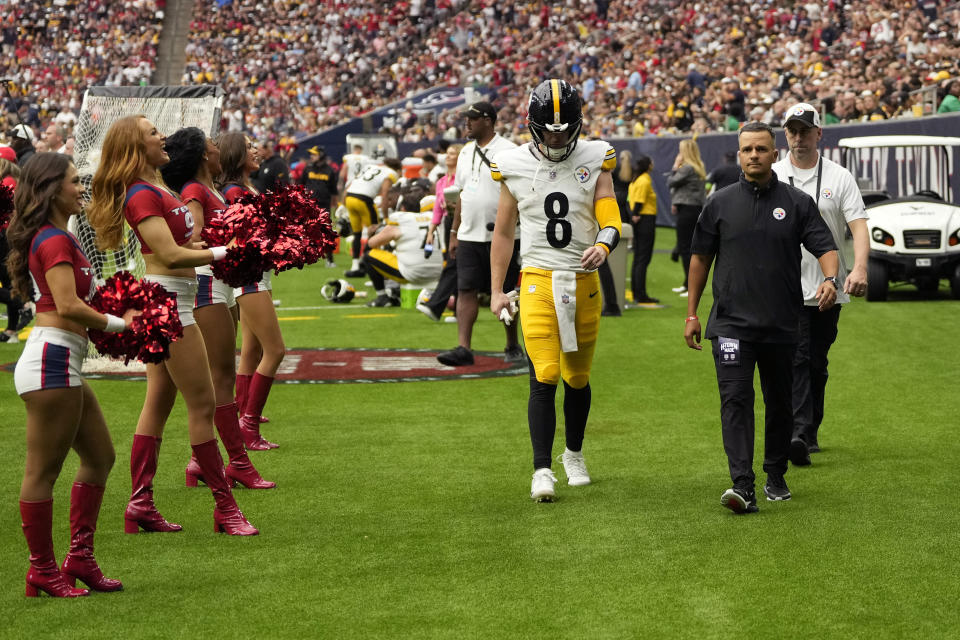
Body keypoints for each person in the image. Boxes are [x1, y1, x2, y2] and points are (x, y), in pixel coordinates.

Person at [87, 116, 257, 535]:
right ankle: (225, 508)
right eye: (152, 133)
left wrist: (196, 245)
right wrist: (222, 252)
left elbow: (177, 247)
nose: (162, 136)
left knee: (158, 401)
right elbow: (168, 255)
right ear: (134, 146)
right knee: (201, 405)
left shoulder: (158, 186)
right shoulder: (142, 193)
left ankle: (140, 504)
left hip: (170, 298)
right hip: (170, 304)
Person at [683, 121, 839, 514]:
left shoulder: (797, 202)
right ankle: (742, 485)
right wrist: (691, 314)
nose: (754, 155)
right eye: (747, 149)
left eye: (761, 149)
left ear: (775, 154)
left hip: (783, 325)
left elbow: (825, 246)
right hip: (731, 326)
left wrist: (831, 278)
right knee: (735, 399)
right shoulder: (719, 203)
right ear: (739, 154)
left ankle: (775, 474)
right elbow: (700, 259)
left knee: (780, 403)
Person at [489, 79, 620, 502]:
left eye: (565, 130)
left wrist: (604, 243)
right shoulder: (512, 163)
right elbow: (504, 232)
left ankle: (574, 454)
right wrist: (495, 289)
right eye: (550, 130)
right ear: (533, 126)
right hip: (538, 279)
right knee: (544, 373)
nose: (558, 136)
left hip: (582, 280)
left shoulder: (596, 157)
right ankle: (541, 469)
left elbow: (609, 213)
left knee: (577, 377)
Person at [8, 153, 132, 597]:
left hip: (64, 361)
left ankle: (79, 558)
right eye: (74, 181)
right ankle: (41, 569)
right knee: (42, 472)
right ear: (50, 189)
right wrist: (122, 325)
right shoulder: (54, 241)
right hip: (51, 362)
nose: (82, 188)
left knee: (100, 457)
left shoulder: (64, 237)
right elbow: (68, 306)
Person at [160, 127, 275, 489]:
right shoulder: (195, 190)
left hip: (222, 282)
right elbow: (190, 238)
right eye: (210, 144)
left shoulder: (209, 189)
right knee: (219, 377)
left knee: (220, 376)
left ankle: (201, 461)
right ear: (202, 155)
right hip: (207, 281)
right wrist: (233, 243)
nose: (216, 148)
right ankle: (238, 463)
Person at [772, 103, 869, 465]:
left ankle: (808, 431)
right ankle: (797, 431)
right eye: (792, 131)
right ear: (786, 135)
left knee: (816, 362)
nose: (798, 138)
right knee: (795, 358)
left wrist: (858, 268)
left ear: (818, 134)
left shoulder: (839, 177)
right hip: (784, 288)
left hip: (830, 288)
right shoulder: (774, 174)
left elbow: (858, 224)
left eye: (804, 131)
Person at [438, 101, 522, 366]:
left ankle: (512, 344)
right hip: (468, 233)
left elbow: (522, 191)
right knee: (465, 289)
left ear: (487, 120)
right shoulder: (464, 152)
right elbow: (462, 193)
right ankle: (464, 347)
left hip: (504, 234)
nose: (467, 123)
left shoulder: (510, 151)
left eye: (472, 119)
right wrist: (454, 231)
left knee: (507, 291)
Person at [218, 131, 286, 451]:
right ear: (235, 155)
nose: (256, 150)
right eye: (248, 147)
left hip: (258, 274)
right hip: (249, 276)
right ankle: (249, 426)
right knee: (275, 351)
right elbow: (245, 237)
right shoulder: (233, 191)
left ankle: (244, 413)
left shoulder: (246, 186)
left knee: (252, 351)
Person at [362, 181, 443, 307]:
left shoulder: (401, 219)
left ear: (403, 208)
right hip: (440, 272)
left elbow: (372, 243)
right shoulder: (433, 218)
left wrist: (376, 232)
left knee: (369, 255)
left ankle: (382, 296)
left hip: (412, 273)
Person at [419, 144, 461, 321]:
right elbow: (437, 208)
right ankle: (458, 310)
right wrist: (431, 231)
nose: (448, 157)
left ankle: (436, 305)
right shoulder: (442, 182)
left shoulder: (461, 179)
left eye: (452, 154)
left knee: (453, 264)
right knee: (455, 265)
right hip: (448, 222)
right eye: (447, 153)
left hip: (462, 223)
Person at [342, 154, 401, 278]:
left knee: (357, 234)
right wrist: (386, 217)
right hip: (364, 199)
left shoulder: (370, 166)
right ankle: (369, 267)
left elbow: (350, 184)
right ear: (398, 169)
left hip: (350, 197)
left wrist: (342, 204)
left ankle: (355, 266)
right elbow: (385, 195)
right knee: (375, 233)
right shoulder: (391, 173)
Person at [668, 138, 706, 296]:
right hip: (693, 209)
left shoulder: (687, 168)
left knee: (685, 248)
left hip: (687, 211)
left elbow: (671, 181)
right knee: (688, 247)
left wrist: (675, 166)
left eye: (680, 150)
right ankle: (687, 283)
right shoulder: (698, 166)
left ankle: (691, 286)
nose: (679, 154)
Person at [627, 153, 659, 304]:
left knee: (638, 257)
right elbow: (639, 201)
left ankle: (636, 291)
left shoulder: (635, 180)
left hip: (641, 219)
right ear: (648, 165)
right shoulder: (644, 180)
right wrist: (636, 214)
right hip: (645, 219)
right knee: (643, 258)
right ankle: (640, 294)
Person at [298, 145, 338, 212]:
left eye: (314, 154)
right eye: (311, 154)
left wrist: (336, 206)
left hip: (324, 205)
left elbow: (334, 191)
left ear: (321, 155)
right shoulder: (308, 168)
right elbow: (301, 185)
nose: (311, 156)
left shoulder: (329, 170)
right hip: (309, 204)